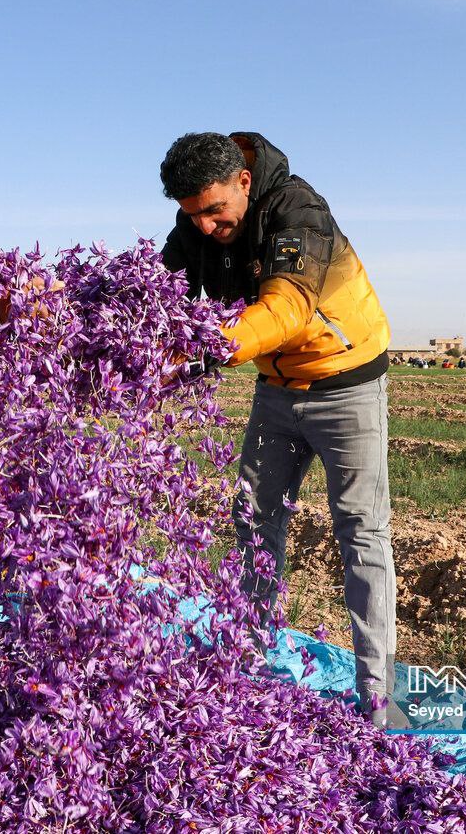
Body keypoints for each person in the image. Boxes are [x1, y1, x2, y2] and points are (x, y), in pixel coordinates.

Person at [158, 132, 408, 729]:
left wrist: (203, 349)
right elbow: (149, 283)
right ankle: (250, 661)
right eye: (192, 216)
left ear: (243, 182)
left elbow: (287, 308)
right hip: (276, 392)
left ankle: (379, 696)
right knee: (253, 519)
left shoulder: (298, 212)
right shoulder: (195, 223)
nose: (208, 227)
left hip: (345, 386)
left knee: (361, 533)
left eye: (216, 212)